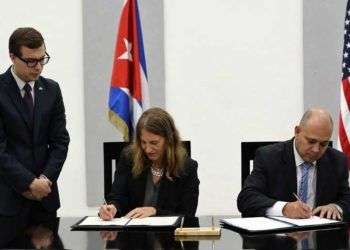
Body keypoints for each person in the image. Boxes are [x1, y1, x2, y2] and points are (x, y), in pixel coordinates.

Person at [0, 27, 70, 222]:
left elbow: (60, 142)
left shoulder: (52, 90)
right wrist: (28, 183)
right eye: (31, 61)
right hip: (9, 201)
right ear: (12, 57)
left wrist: (45, 180)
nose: (38, 67)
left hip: (45, 199)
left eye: (42, 59)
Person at [237, 108, 350, 221]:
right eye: (311, 141)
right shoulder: (269, 157)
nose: (316, 149)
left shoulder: (337, 161)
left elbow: (346, 198)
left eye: (323, 144)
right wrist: (285, 208)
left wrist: (337, 207)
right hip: (277, 235)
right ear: (297, 132)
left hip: (320, 235)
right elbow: (247, 198)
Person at [99, 107, 199, 220]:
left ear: (169, 139)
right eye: (143, 142)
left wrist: (154, 211)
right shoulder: (129, 158)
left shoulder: (187, 167)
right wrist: (113, 208)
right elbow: (118, 196)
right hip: (132, 234)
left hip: (170, 236)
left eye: (154, 143)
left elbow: (188, 214)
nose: (147, 149)